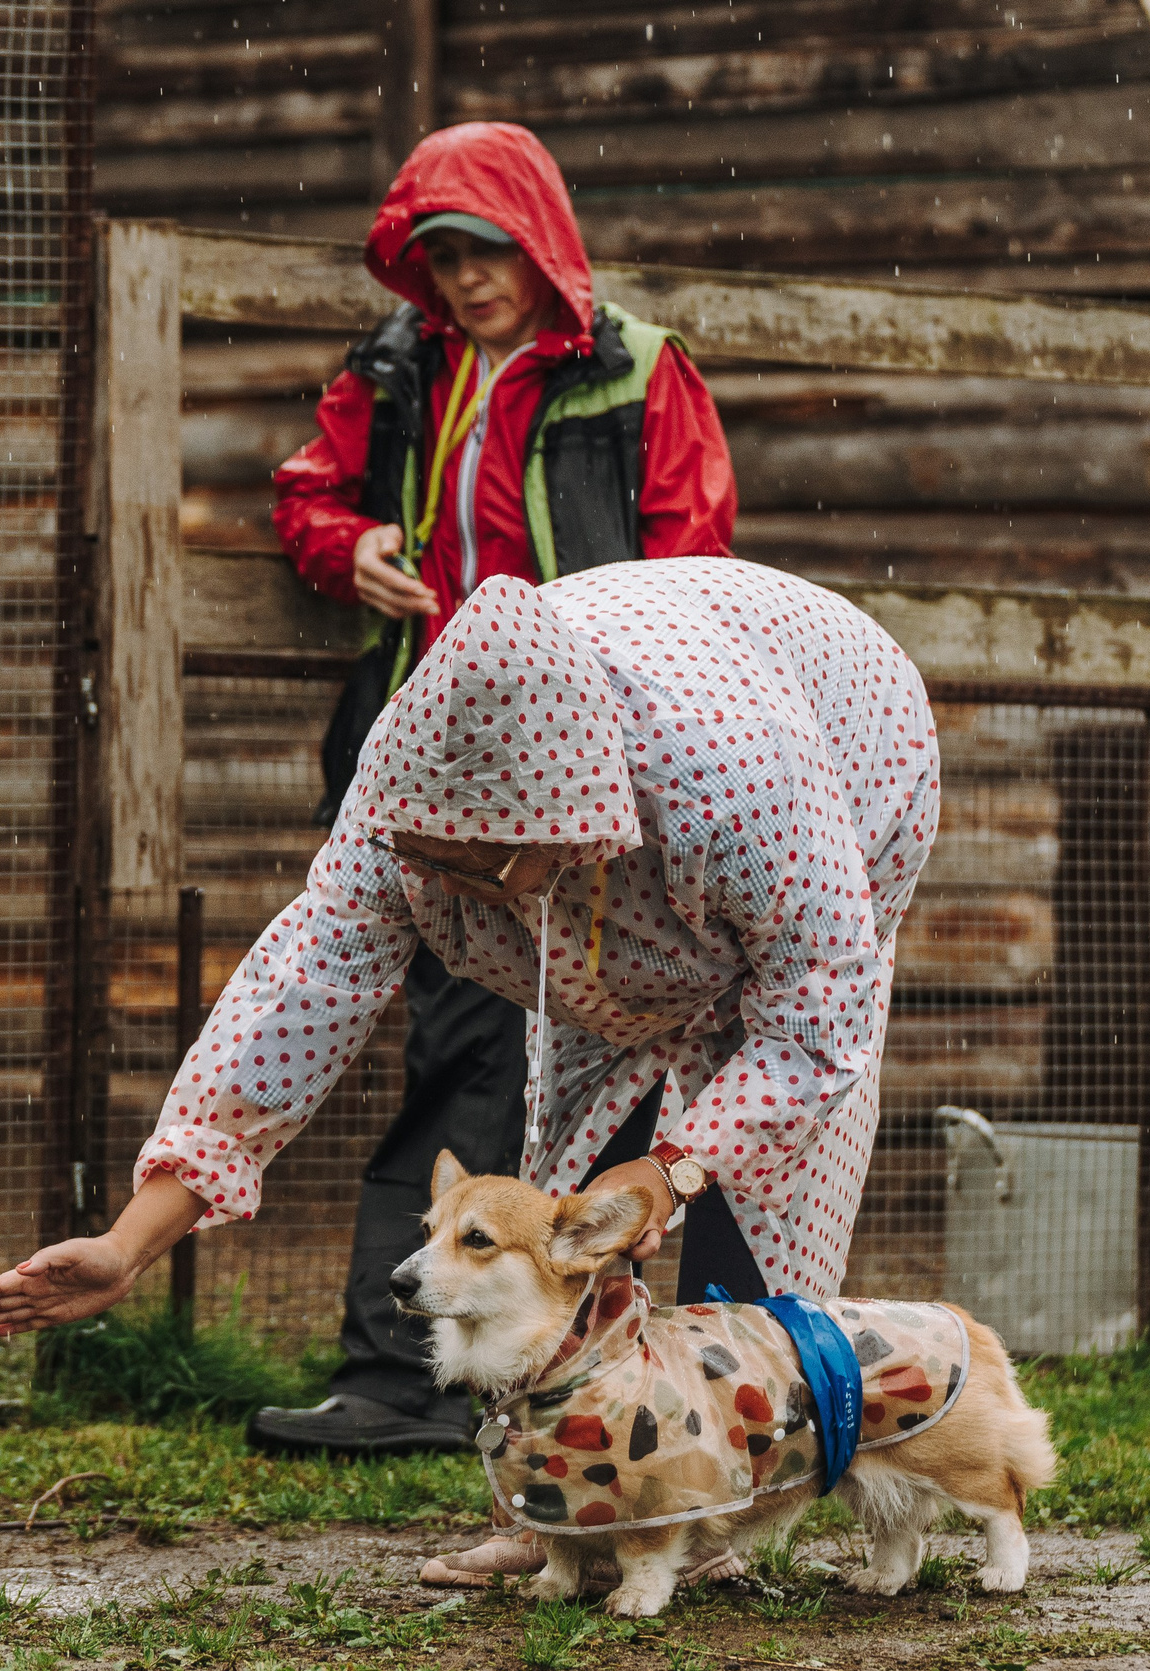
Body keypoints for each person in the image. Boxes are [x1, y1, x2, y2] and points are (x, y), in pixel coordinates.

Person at [0, 563, 939, 1583]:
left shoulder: (736, 788)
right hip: (607, 924)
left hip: (849, 750)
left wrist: (673, 1170)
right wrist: (129, 1241)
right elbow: (289, 1008)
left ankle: (710, 1514)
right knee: (563, 1214)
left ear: (565, 821)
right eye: (428, 858)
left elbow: (816, 1024)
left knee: (751, 1194)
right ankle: (562, 1504)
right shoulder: (403, 807)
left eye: (474, 867)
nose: (443, 884)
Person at [257, 120, 739, 1455]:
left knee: (641, 1073)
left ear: (538, 240)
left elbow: (690, 557)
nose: (466, 280)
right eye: (439, 256)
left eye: (486, 250)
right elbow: (308, 486)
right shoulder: (397, 368)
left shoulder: (634, 370)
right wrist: (343, 542)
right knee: (458, 1056)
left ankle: (649, 1376)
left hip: (598, 774)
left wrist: (639, 732)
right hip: (436, 760)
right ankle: (400, 1377)